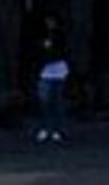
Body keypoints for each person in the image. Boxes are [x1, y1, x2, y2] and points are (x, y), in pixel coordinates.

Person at [28, 15, 72, 145]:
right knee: (45, 101)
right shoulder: (42, 36)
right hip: (46, 70)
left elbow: (60, 51)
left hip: (58, 69)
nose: (49, 23)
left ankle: (56, 129)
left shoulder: (60, 36)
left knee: (56, 101)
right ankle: (46, 127)